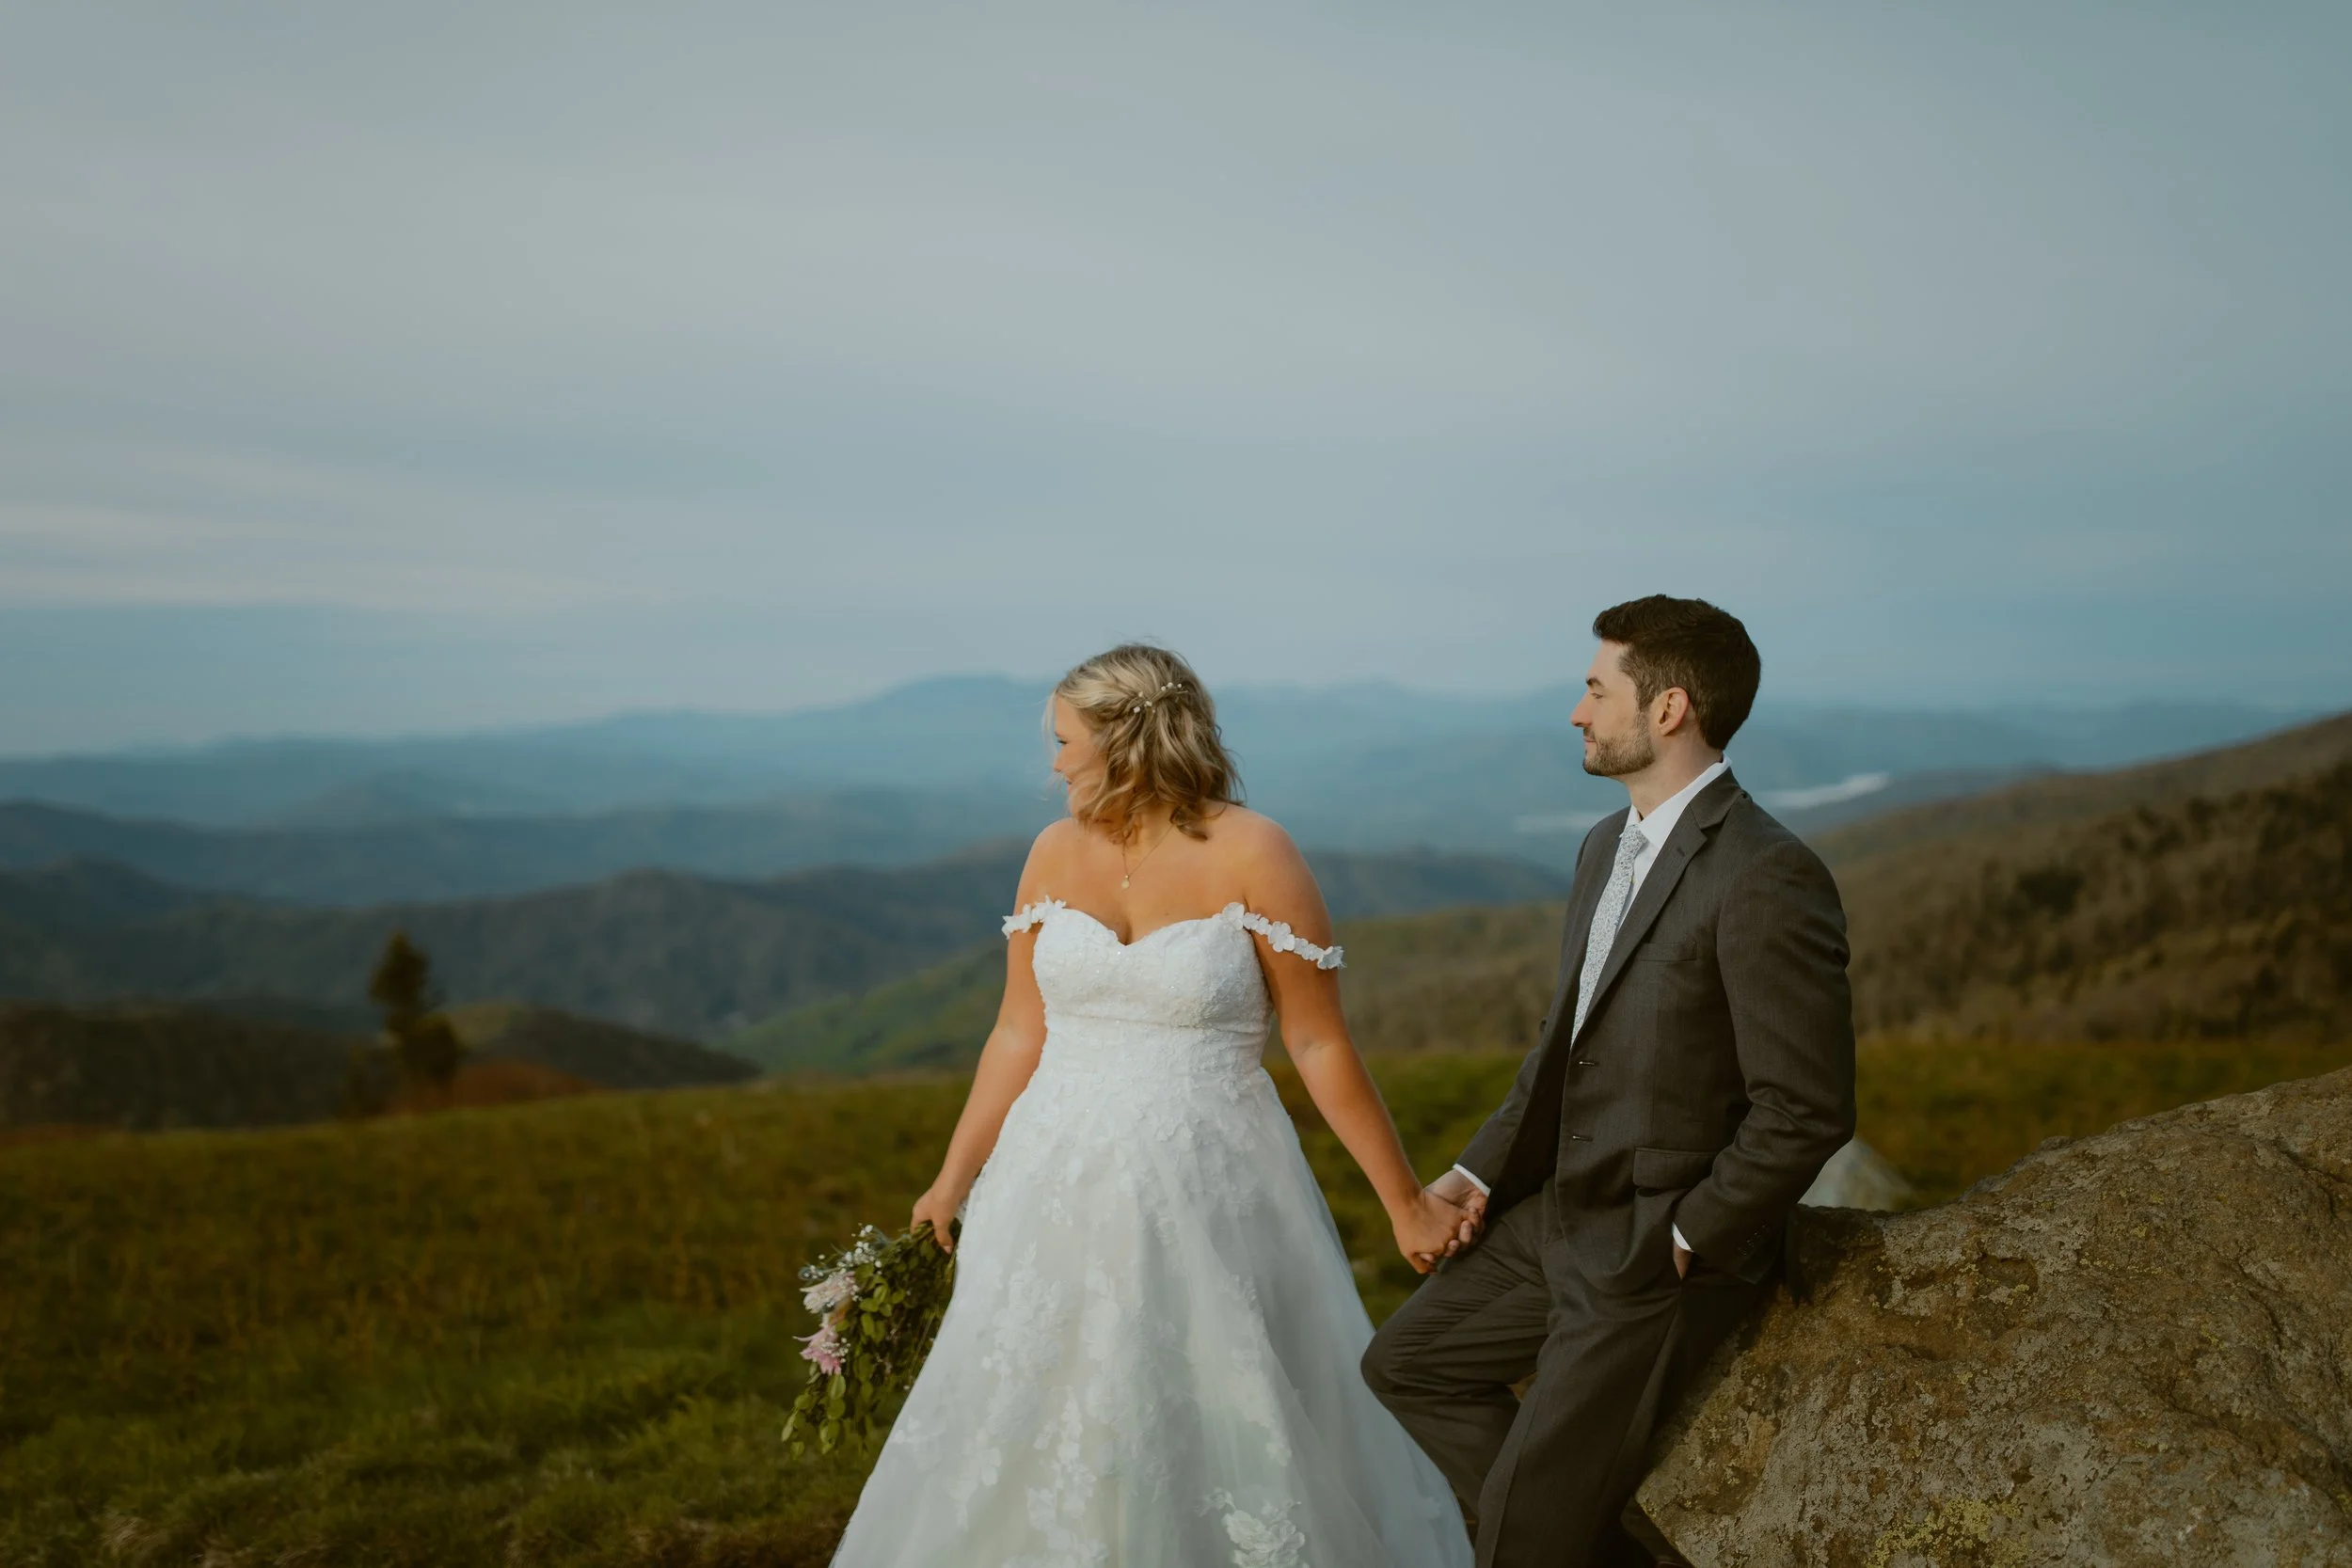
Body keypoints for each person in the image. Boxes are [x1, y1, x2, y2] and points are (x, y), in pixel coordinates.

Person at [827, 642, 1477, 1567]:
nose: (1052, 762)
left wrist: (1403, 1200)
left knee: (1213, 1402)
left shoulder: (1258, 849)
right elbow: (1018, 1030)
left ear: (1125, 738)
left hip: (1208, 1179)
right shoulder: (1052, 851)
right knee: (1038, 1397)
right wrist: (952, 1177)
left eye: (1063, 739)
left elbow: (1318, 1040)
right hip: (1047, 1178)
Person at [1361, 595, 1857, 1568]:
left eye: (1597, 688)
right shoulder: (1603, 846)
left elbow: (1806, 1108)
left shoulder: (1766, 874)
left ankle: (1541, 1529)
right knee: (1405, 1364)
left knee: (1516, 1535)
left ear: (1668, 708)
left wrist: (1682, 1237)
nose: (1578, 712)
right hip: (1555, 1213)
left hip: (1651, 1246)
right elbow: (1563, 1047)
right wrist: (1476, 1173)